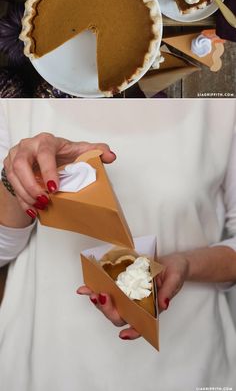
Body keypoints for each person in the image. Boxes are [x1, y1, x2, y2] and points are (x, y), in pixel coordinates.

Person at [0, 99, 236, 391]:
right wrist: (17, 181)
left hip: (189, 363)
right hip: (49, 361)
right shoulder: (16, 106)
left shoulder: (221, 108)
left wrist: (184, 264)